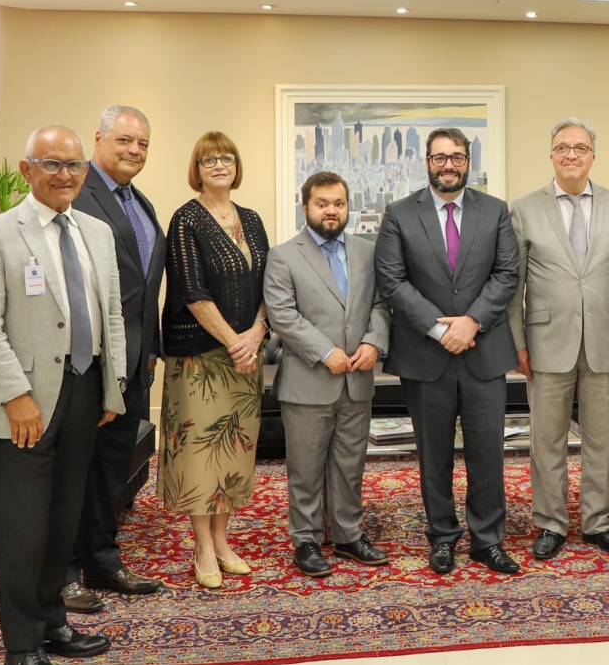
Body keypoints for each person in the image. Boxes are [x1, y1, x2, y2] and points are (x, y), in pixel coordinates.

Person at [0, 125, 127, 665]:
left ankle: (54, 620)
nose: (64, 175)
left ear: (86, 172)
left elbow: (110, 314)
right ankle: (22, 647)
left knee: (64, 520)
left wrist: (113, 388)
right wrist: (14, 395)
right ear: (27, 168)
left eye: (73, 165)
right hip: (24, 406)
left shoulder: (97, 232)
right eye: (51, 163)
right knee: (24, 528)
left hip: (84, 394)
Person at [374, 127, 521, 575]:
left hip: (484, 351)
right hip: (426, 355)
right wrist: (442, 332)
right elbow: (392, 280)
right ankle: (442, 537)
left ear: (468, 162)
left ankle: (487, 540)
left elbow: (508, 273)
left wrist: (472, 322)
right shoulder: (399, 213)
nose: (448, 164)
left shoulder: (495, 211)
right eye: (440, 157)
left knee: (487, 453)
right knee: (432, 455)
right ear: (426, 162)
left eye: (457, 156)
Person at [509, 118, 609, 560]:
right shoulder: (525, 208)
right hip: (546, 341)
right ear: (551, 155)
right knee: (546, 438)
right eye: (563, 147)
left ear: (592, 156)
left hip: (607, 337)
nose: (571, 154)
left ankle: (598, 521)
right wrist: (518, 343)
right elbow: (514, 286)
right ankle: (550, 523)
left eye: (580, 147)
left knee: (602, 438)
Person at [63, 105, 166, 613]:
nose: (134, 151)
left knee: (111, 468)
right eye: (125, 140)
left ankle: (102, 561)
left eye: (143, 144)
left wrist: (152, 351)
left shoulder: (137, 202)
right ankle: (63, 573)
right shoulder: (77, 193)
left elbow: (147, 287)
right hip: (89, 363)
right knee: (73, 469)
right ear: (98, 137)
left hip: (133, 365)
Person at [263, 171, 391, 577]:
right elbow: (282, 316)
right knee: (305, 467)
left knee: (350, 464)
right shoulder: (283, 255)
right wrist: (325, 352)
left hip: (358, 378)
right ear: (305, 207)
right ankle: (305, 538)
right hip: (308, 380)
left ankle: (348, 534)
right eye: (322, 203)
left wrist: (373, 342)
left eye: (338, 203)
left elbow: (382, 303)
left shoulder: (367, 252)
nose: (331, 210)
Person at [159, 131, 270, 589]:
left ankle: (224, 542)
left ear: (237, 165)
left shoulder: (252, 218)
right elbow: (192, 291)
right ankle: (202, 546)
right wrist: (234, 341)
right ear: (197, 170)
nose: (219, 165)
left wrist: (258, 332)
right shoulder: (185, 219)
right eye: (209, 160)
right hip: (201, 359)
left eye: (227, 158)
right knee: (201, 453)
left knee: (235, 452)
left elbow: (271, 283)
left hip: (247, 355)